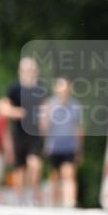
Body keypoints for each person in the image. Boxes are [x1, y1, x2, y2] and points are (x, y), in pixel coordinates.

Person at [0, 56, 46, 205]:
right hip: (18, 133)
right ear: (20, 71)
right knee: (19, 168)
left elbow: (46, 110)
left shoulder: (41, 89)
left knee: (35, 164)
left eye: (32, 69)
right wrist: (19, 112)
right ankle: (20, 199)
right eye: (26, 69)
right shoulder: (14, 88)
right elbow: (4, 109)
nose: (29, 72)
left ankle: (34, 193)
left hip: (35, 133)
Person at [42, 77, 83, 207]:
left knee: (69, 174)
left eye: (65, 89)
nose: (63, 92)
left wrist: (79, 148)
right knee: (55, 177)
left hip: (69, 146)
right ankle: (55, 203)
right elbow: (43, 128)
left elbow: (78, 129)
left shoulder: (75, 106)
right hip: (53, 146)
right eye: (60, 88)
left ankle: (70, 202)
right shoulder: (49, 104)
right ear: (56, 89)